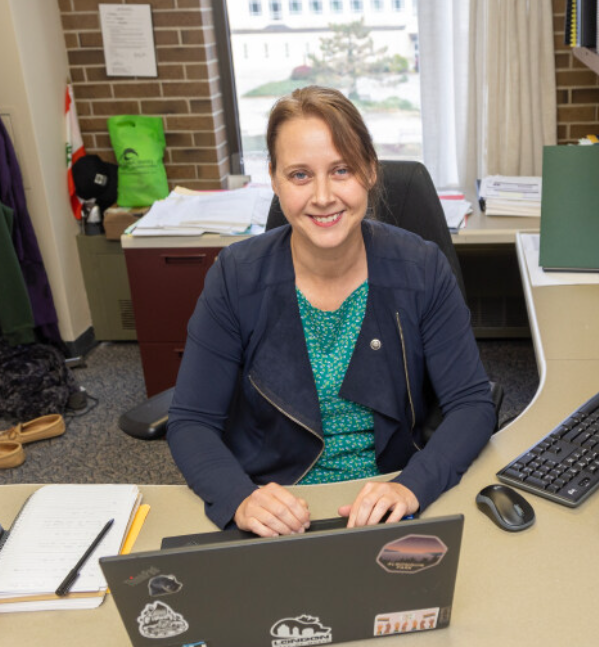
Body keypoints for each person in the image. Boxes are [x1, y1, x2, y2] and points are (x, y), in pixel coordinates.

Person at [166, 86, 495, 536]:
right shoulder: (236, 276)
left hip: (387, 502)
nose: (323, 196)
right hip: (276, 513)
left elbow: (472, 404)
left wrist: (410, 487)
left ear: (369, 172)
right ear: (275, 180)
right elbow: (191, 422)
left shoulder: (421, 268)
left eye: (341, 170)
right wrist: (239, 498)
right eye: (300, 175)